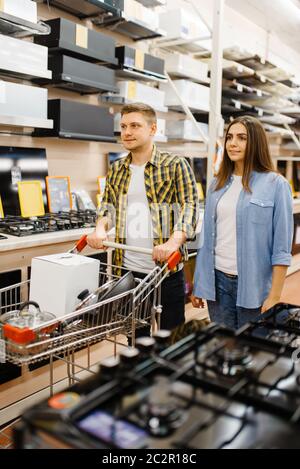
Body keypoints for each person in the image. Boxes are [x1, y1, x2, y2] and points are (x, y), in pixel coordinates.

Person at [87, 103, 199, 332]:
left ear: (152, 129)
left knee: (172, 337)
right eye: (124, 126)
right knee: (135, 337)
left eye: (135, 126)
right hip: (128, 272)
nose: (127, 132)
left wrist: (173, 242)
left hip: (165, 271)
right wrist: (100, 229)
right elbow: (108, 206)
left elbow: (190, 207)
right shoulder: (117, 168)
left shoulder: (175, 164)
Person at [191, 115, 293, 330]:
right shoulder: (216, 184)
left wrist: (275, 296)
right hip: (217, 282)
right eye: (229, 137)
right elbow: (206, 240)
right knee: (224, 348)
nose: (233, 143)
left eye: (242, 138)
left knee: (253, 350)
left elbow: (282, 248)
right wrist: (200, 283)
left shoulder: (276, 184)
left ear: (255, 143)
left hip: (254, 285)